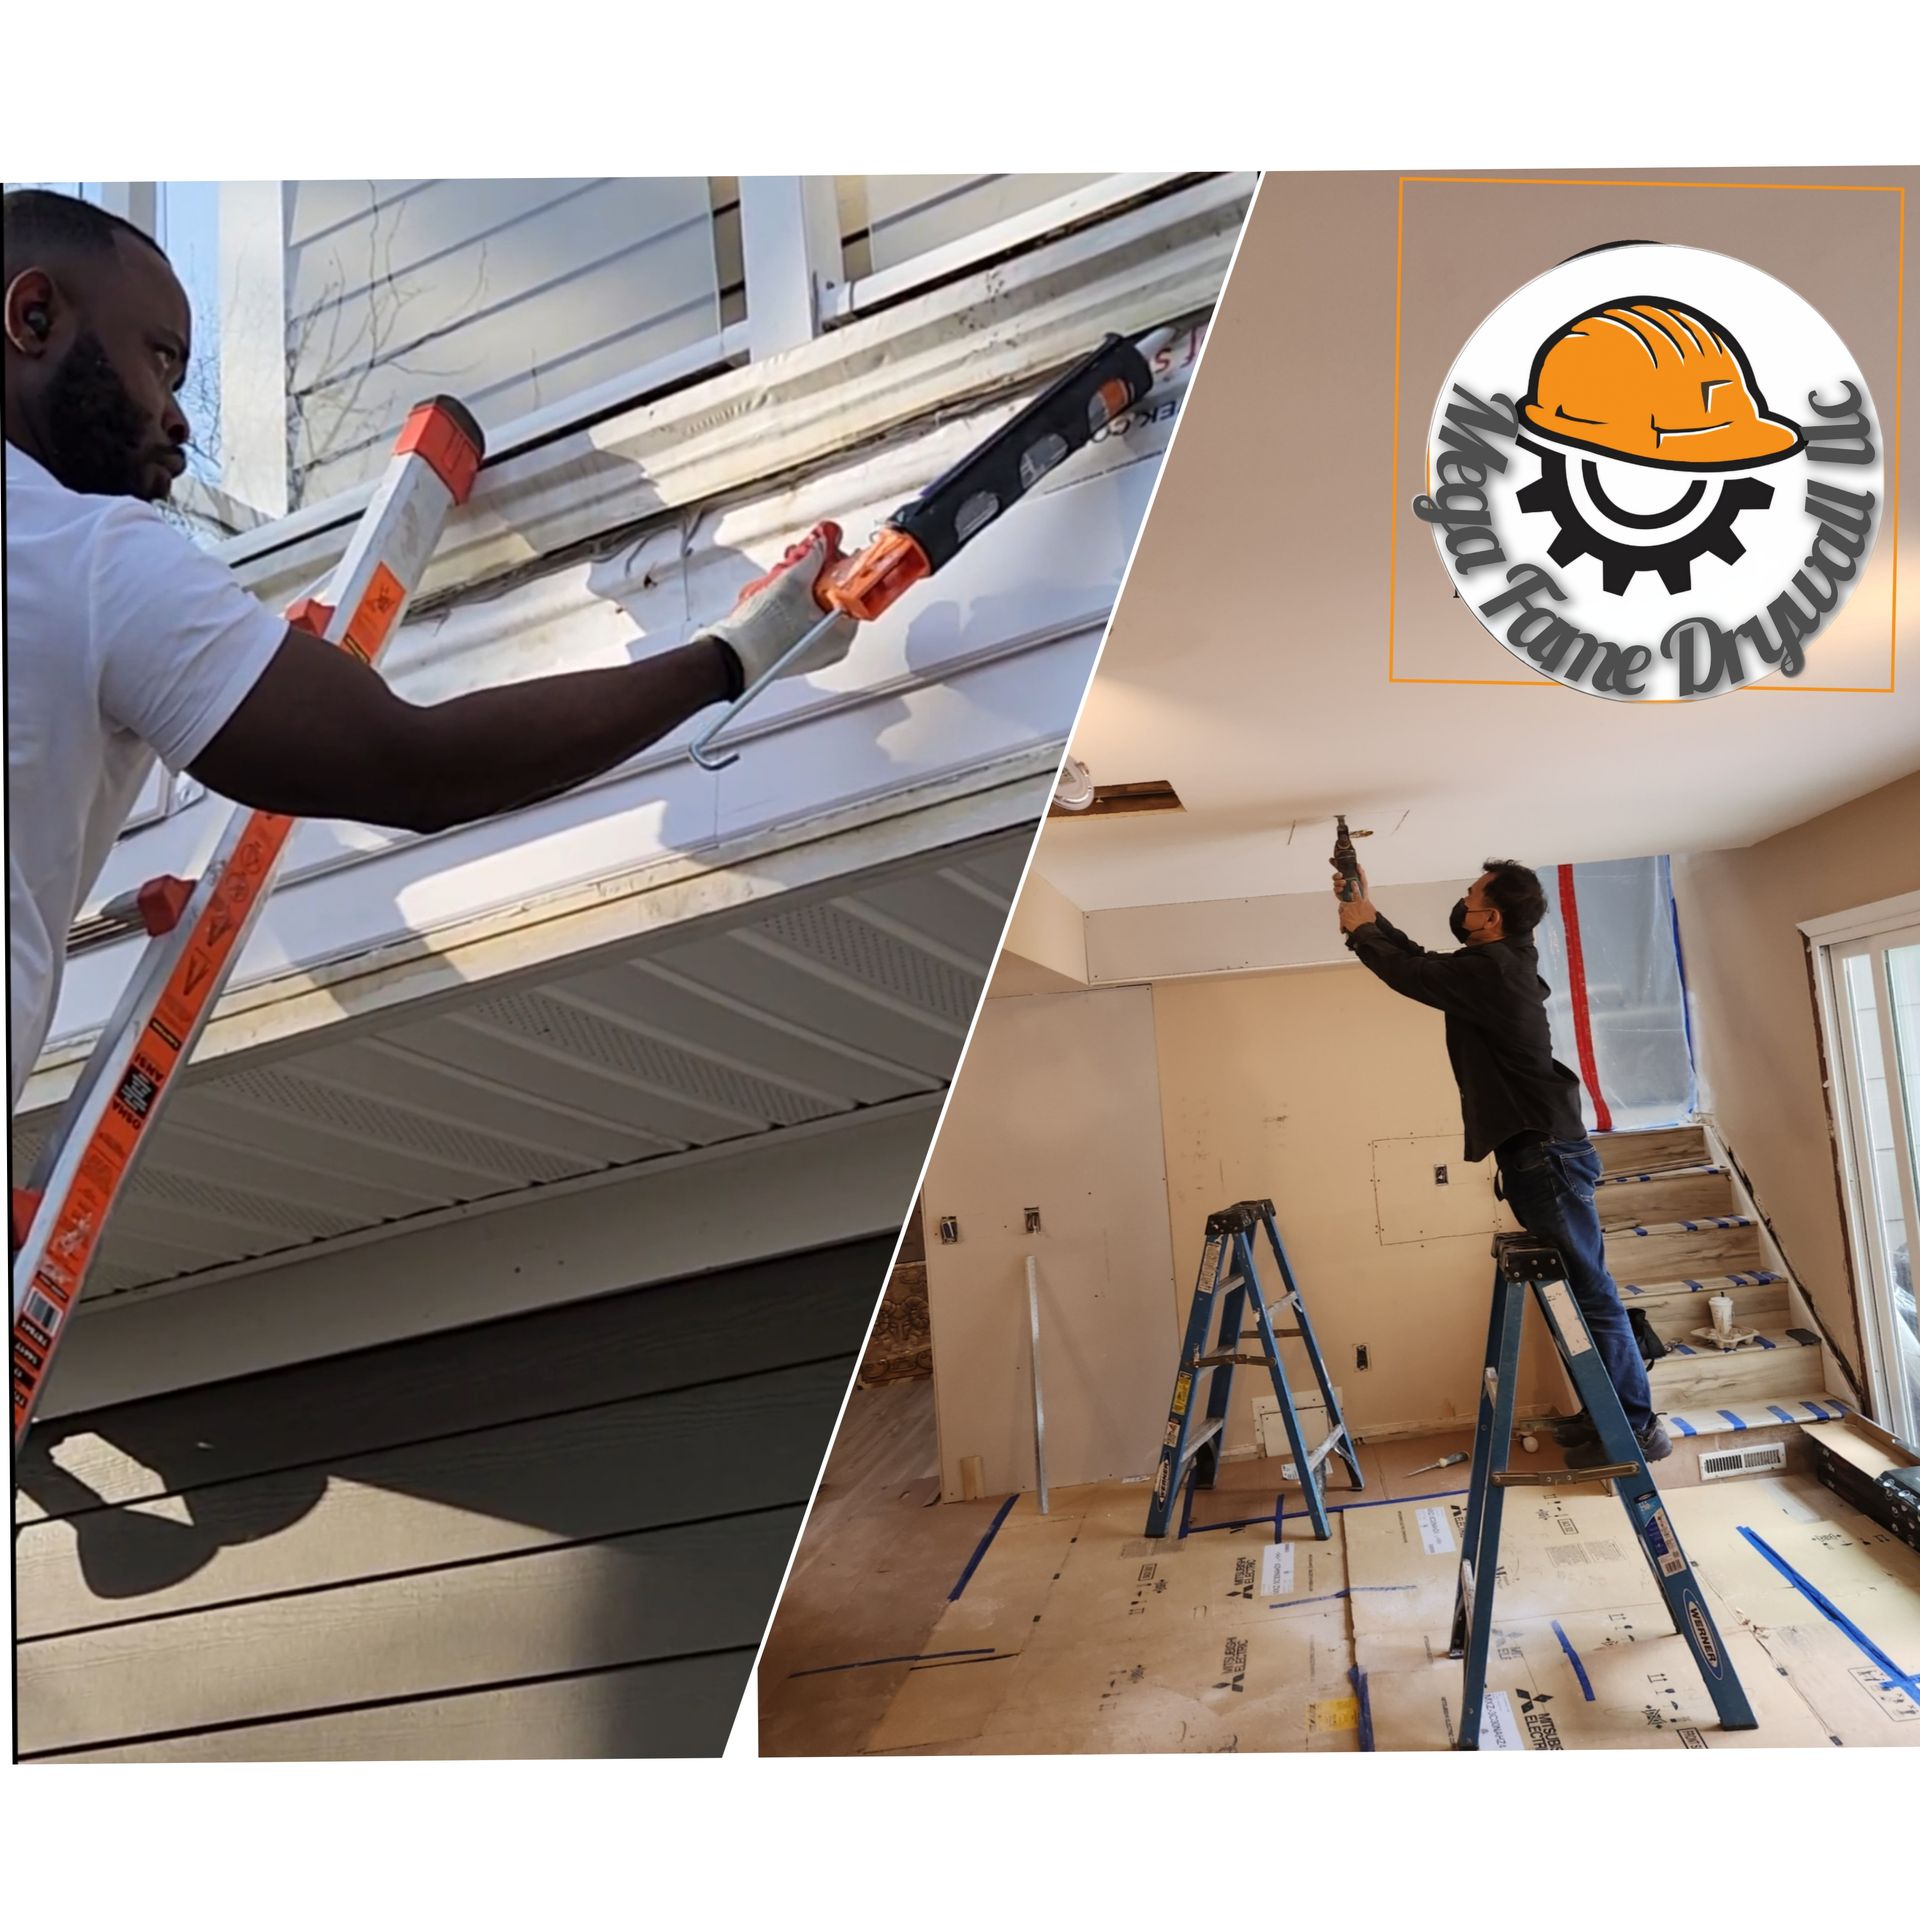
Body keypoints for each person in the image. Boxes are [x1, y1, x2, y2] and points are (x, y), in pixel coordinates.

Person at [4, 188, 859, 1121]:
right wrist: (735, 655)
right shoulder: (78, 554)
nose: (179, 420)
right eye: (161, 361)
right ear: (33, 317)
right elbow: (417, 768)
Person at [1333, 855, 1670, 1466]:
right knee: (1577, 1291)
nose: (1462, 904)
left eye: (1471, 898)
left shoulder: (1495, 972)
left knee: (1591, 1295)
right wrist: (1369, 918)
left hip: (1546, 1154)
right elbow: (1425, 964)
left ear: (1491, 918)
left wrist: (1362, 930)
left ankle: (1638, 1428)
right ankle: (1606, 1412)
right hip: (1538, 1151)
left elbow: (1411, 974)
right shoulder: (1493, 965)